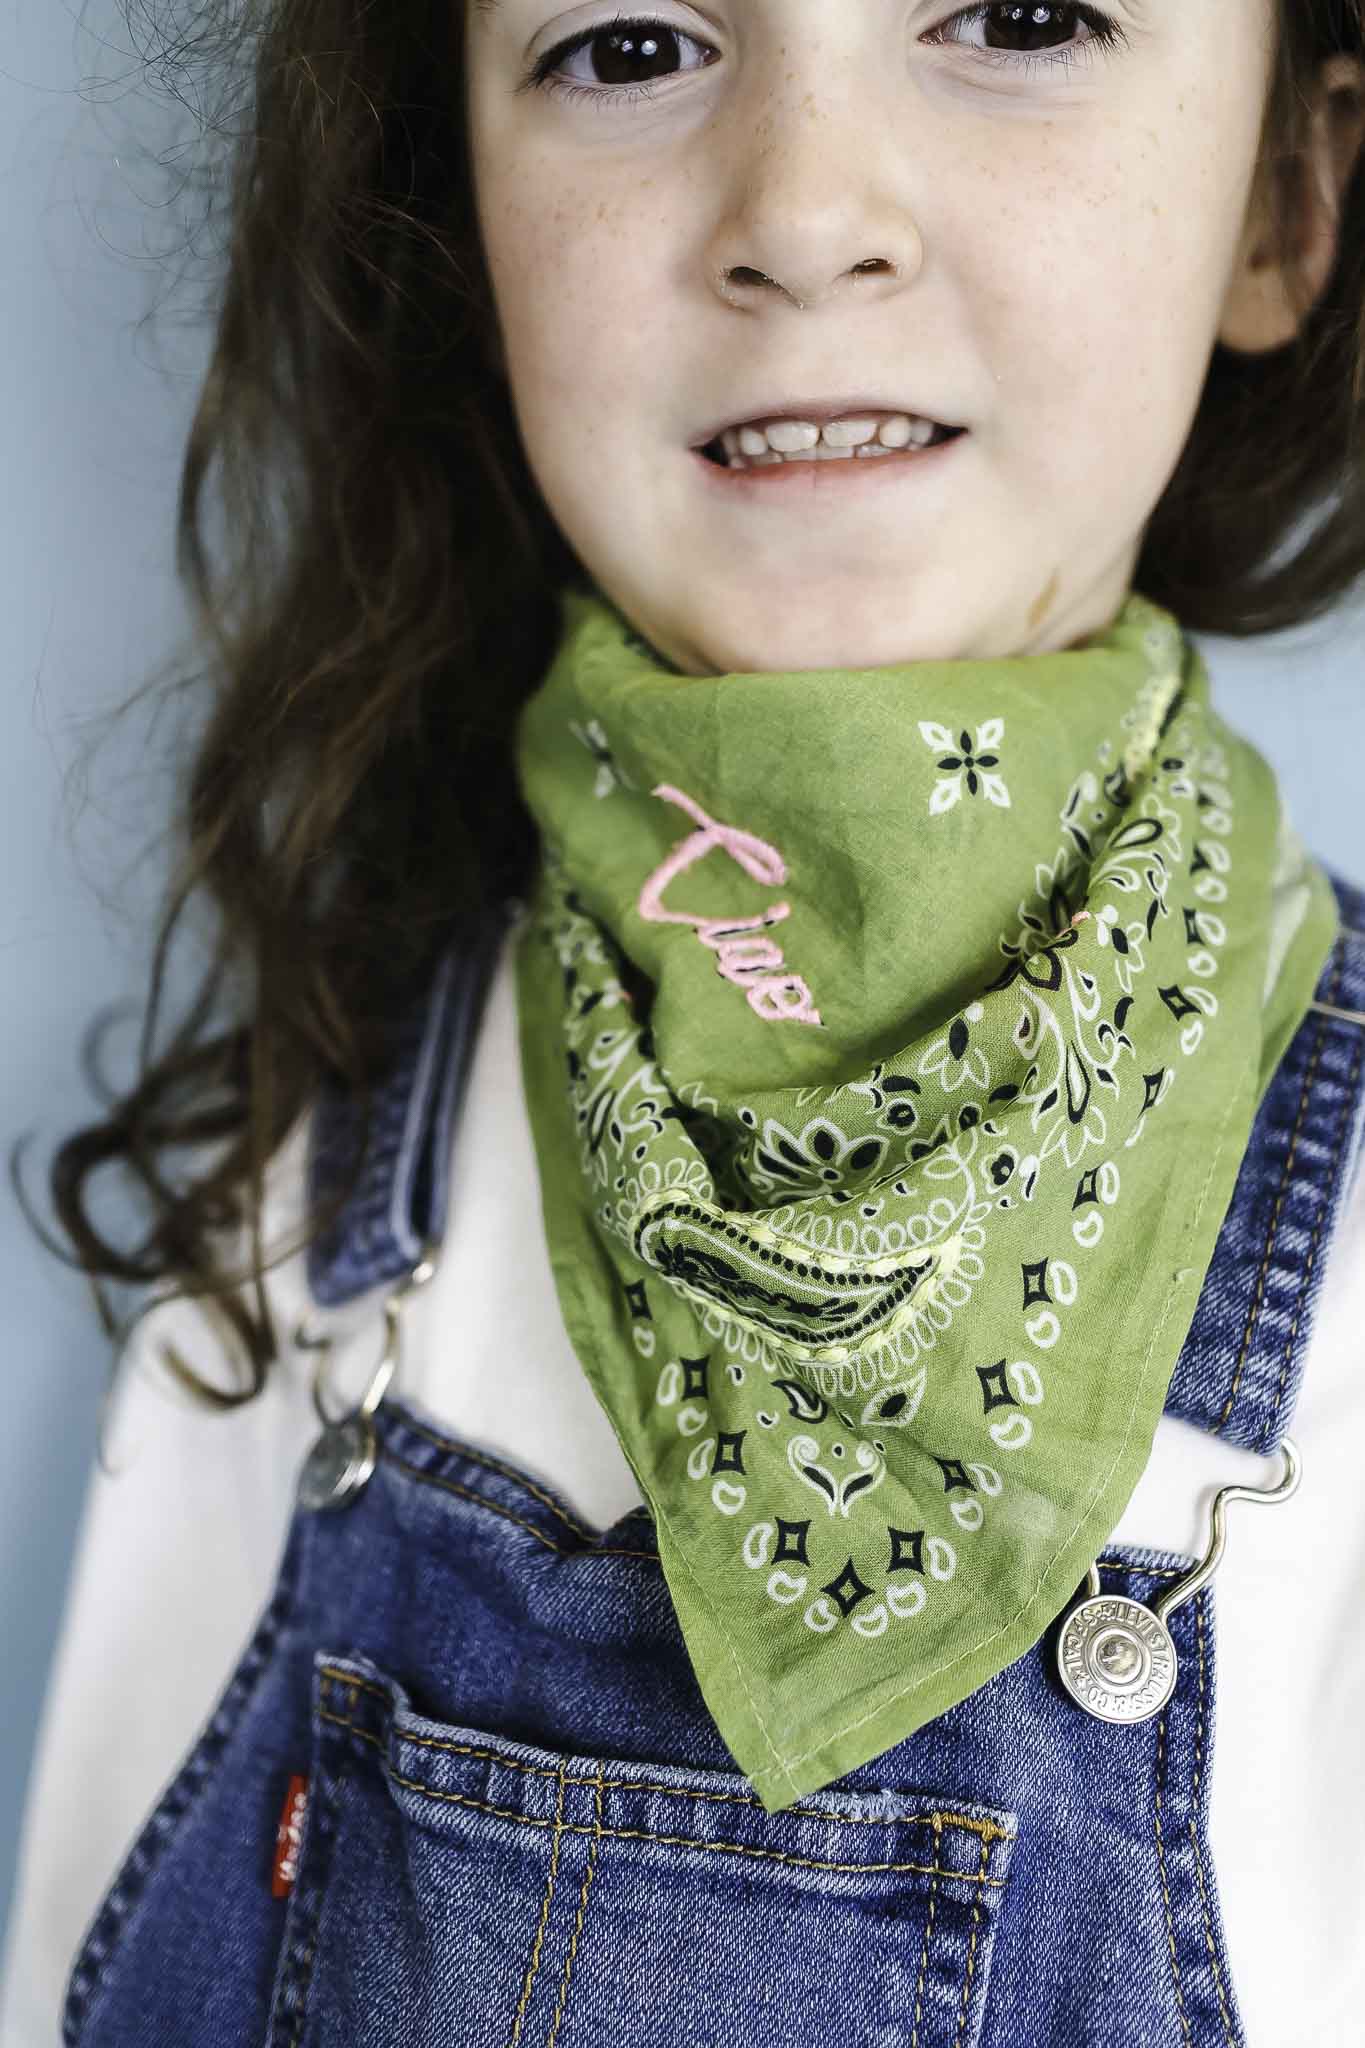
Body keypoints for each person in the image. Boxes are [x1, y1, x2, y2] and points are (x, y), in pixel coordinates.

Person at [4, 1, 1365, 2042]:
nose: (801, 216)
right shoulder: (301, 1205)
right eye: (628, 43)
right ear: (460, 207)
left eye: (1017, 15)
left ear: (1283, 200)